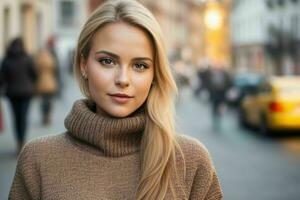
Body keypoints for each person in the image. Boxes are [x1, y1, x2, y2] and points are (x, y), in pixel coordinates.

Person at [9, 1, 223, 199]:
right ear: (84, 64)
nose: (123, 79)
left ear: (154, 74)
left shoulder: (191, 161)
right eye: (108, 61)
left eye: (140, 65)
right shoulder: (38, 159)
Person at [0, 38, 37, 154]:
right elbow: (34, 75)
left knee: (16, 118)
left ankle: (18, 142)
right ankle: (22, 141)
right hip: (26, 93)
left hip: (13, 93)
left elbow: (2, 79)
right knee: (24, 117)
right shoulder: (28, 58)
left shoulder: (6, 60)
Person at [35, 48, 58, 125]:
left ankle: (44, 116)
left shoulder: (38, 60)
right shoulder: (51, 59)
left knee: (42, 101)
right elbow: (56, 70)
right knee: (49, 101)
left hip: (40, 83)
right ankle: (48, 116)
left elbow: (35, 71)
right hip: (50, 83)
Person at [207, 63, 231, 130]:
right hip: (215, 93)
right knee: (214, 107)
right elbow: (209, 83)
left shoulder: (225, 74)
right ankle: (215, 120)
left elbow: (228, 83)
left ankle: (219, 119)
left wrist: (224, 88)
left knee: (220, 108)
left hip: (222, 93)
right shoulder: (212, 74)